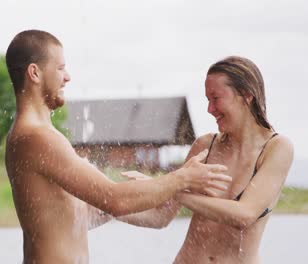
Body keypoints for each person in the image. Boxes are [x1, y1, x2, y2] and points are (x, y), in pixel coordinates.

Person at [4, 29, 231, 263]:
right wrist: (183, 178)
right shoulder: (36, 137)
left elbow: (93, 209)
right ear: (35, 73)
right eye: (60, 68)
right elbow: (112, 198)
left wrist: (168, 194)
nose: (67, 76)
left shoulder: (36, 136)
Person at [123, 56, 294, 263]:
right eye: (207, 100)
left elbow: (244, 215)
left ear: (247, 95)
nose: (209, 109)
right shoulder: (205, 146)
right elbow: (160, 217)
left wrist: (170, 188)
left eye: (216, 98)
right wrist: (104, 205)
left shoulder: (277, 149)